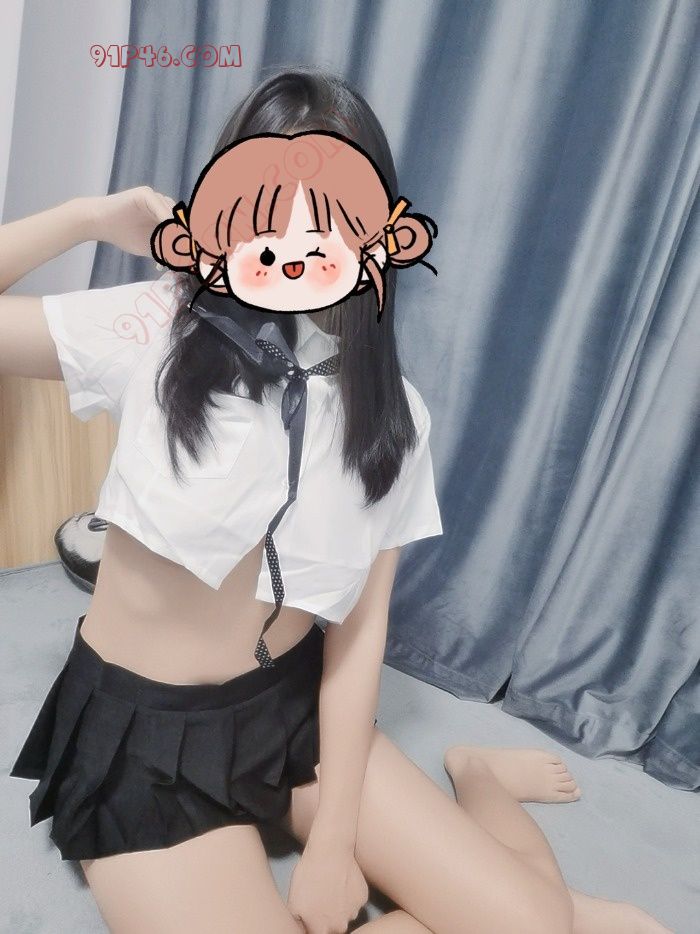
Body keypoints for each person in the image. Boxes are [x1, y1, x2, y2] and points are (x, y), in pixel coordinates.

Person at [3, 66, 668, 934]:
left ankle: (479, 778)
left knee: (536, 926)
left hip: (289, 711)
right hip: (144, 735)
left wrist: (332, 842)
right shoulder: (151, 328)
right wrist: (92, 216)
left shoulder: (392, 411)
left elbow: (360, 629)